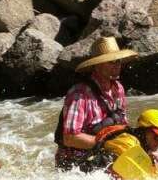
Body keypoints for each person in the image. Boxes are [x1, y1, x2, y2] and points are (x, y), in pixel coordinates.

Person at [54, 37, 137, 172]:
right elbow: (70, 138)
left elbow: (122, 125)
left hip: (103, 154)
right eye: (112, 62)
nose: (118, 65)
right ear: (98, 65)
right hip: (74, 164)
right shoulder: (79, 94)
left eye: (119, 61)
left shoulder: (118, 88)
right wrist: (108, 144)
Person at [95, 109, 158, 176]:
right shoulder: (128, 143)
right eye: (157, 137)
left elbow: (155, 156)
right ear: (143, 130)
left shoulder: (144, 144)